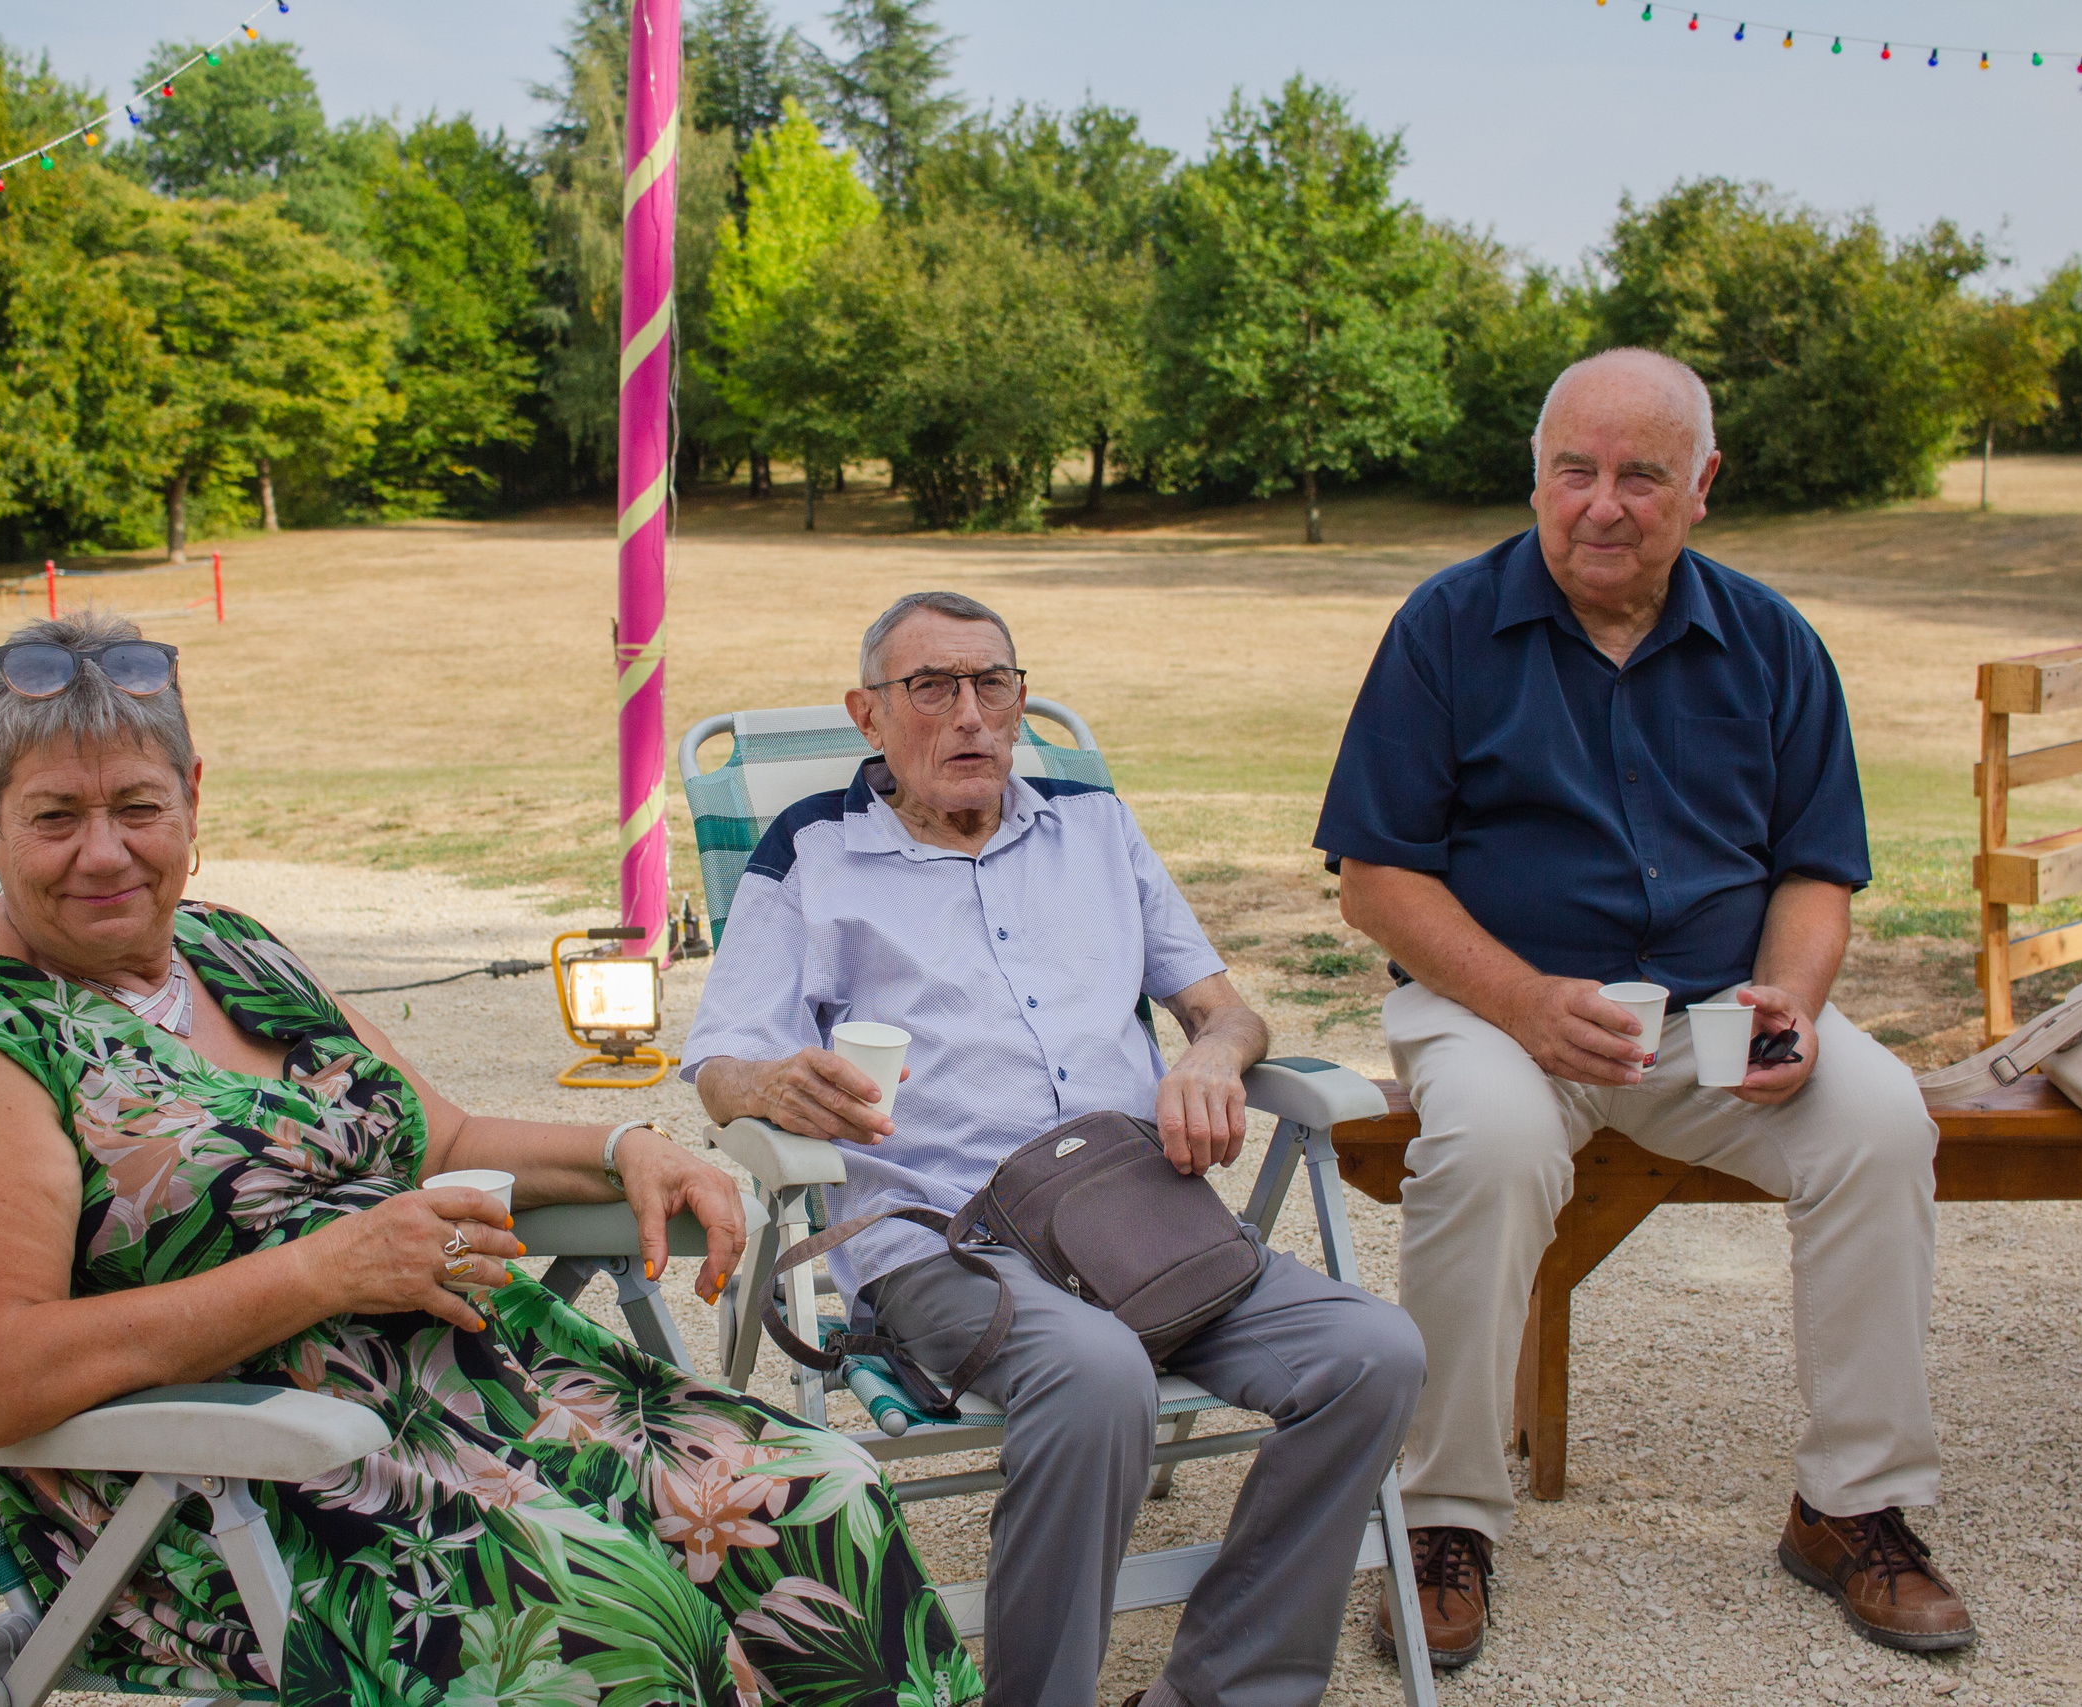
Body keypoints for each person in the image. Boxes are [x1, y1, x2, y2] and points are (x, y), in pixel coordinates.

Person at [0, 611, 978, 1707]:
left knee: (818, 1493)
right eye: (55, 816)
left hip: (492, 1402)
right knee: (616, 1613)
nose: (104, 851)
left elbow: (433, 1139)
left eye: (137, 807)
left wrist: (619, 1145)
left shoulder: (227, 946)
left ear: (192, 798)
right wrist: (321, 1273)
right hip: (244, 1490)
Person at [1314, 348, 1976, 1670]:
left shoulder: (1773, 640)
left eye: (1640, 475)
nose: (1602, 504)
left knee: (1884, 1120)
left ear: (1703, 485)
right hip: (1492, 1004)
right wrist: (1522, 997)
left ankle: (1852, 1502)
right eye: (1576, 471)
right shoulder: (1446, 626)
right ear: (1538, 476)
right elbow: (1378, 881)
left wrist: (1791, 995)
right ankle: (1445, 1520)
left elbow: (1814, 870)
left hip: (1713, 1011)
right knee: (1492, 1146)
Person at [684, 590, 1427, 1707]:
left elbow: (1227, 1011)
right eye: (931, 688)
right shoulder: (815, 854)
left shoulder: (1093, 826)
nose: (969, 714)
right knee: (1095, 1377)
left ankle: (1225, 1690)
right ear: (869, 716)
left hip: (1139, 1220)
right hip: (942, 1239)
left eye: (992, 684)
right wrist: (773, 1083)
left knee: (1375, 1354)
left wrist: (1213, 1059)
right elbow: (718, 1066)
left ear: (1021, 699)